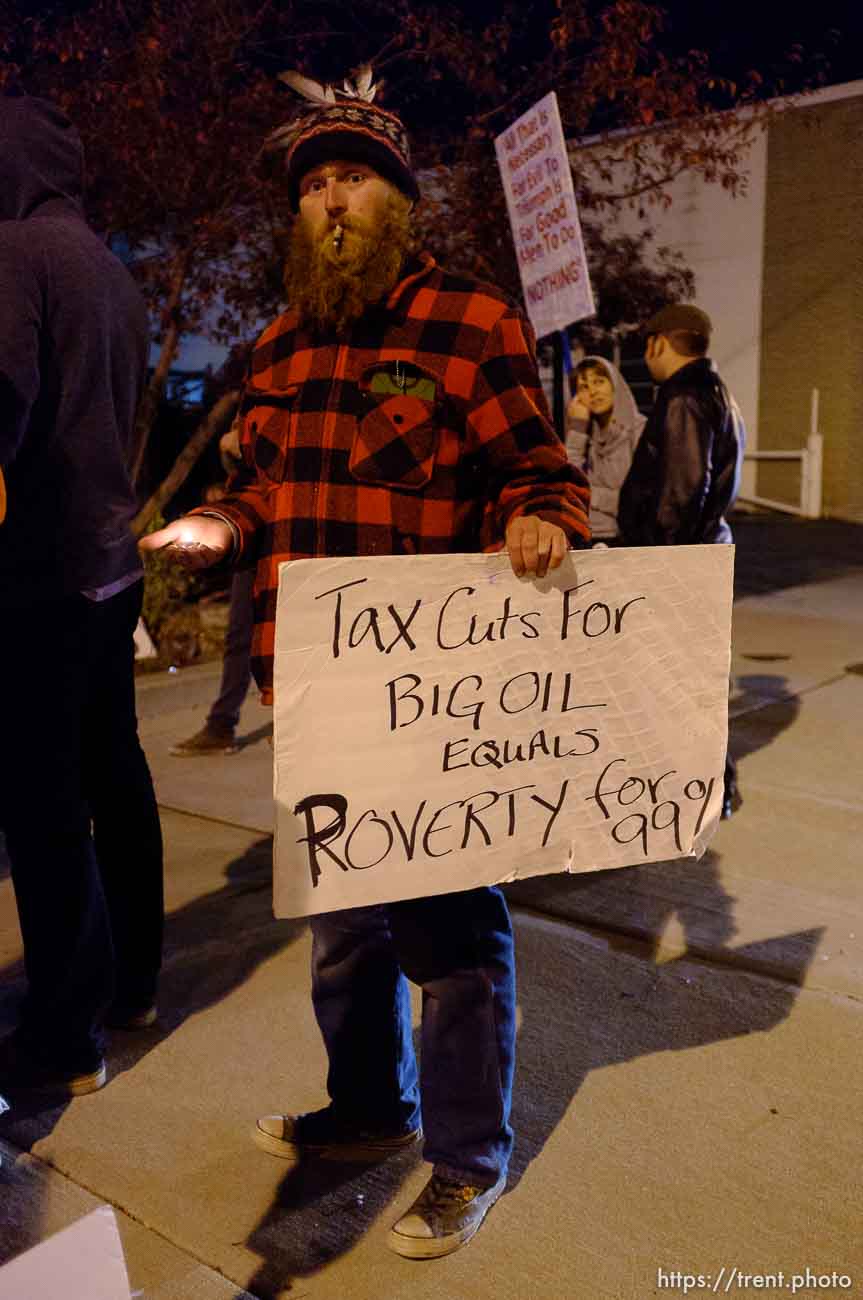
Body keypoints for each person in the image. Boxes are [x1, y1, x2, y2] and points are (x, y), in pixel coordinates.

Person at [142, 81, 590, 1259]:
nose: (332, 199)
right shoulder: (279, 345)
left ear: (398, 195)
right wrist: (221, 524)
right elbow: (266, 487)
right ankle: (366, 1113)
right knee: (343, 934)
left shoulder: (470, 320)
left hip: (434, 706)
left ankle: (464, 1158)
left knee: (451, 944)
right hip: (319, 696)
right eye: (314, 186)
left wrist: (539, 517)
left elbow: (536, 471)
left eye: (352, 178)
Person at [0, 95, 164, 1098]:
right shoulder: (111, 268)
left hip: (39, 573)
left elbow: (1, 396)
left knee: (41, 801)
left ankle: (64, 1035)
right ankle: (132, 984)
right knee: (116, 772)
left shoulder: (13, 251)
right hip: (113, 562)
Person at [617, 302, 745, 817]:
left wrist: (658, 571)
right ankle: (708, 782)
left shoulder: (683, 398)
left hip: (677, 568)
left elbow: (681, 491)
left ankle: (701, 785)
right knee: (690, 682)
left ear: (658, 342)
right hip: (704, 558)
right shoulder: (717, 393)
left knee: (675, 683)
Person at [170, 423, 255, 756]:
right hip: (251, 521)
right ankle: (221, 725)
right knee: (241, 632)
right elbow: (232, 453)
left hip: (293, 520)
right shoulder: (255, 387)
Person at [565, 356, 645, 543]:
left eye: (599, 382)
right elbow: (568, 486)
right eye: (584, 387)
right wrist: (577, 429)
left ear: (614, 384)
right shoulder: (585, 433)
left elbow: (637, 502)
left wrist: (590, 495)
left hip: (627, 540)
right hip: (587, 538)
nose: (592, 391)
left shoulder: (639, 430)